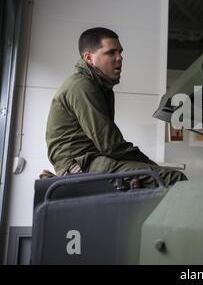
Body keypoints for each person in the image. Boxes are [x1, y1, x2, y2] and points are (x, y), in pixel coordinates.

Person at [46, 27, 186, 189]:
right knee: (174, 179)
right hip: (80, 164)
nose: (119, 58)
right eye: (111, 53)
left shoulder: (101, 87)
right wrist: (149, 164)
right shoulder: (82, 86)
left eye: (120, 52)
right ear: (89, 58)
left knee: (159, 175)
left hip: (92, 159)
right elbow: (110, 144)